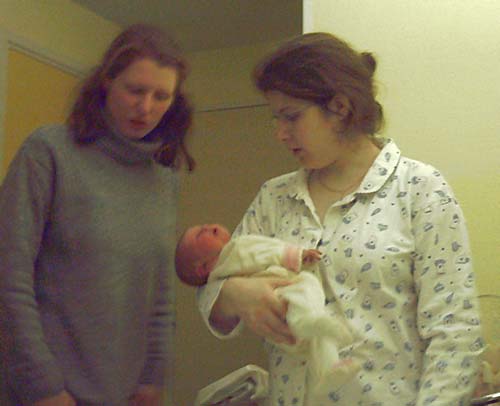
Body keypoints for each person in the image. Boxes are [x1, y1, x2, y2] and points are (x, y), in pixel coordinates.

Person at [197, 32, 484, 405]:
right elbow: (212, 285)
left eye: (291, 116)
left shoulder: (420, 190)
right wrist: (234, 294)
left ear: (340, 107)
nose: (280, 134)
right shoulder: (274, 198)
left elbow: (455, 334)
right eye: (276, 118)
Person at [0, 24, 194, 406]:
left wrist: (153, 377)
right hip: (44, 393)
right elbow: (9, 273)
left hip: (124, 394)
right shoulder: (48, 152)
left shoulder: (164, 178)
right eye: (135, 90)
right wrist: (42, 385)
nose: (146, 108)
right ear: (107, 81)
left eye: (161, 96)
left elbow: (159, 292)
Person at [176, 224, 358, 394]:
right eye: (201, 233)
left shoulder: (223, 272)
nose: (211, 227)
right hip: (284, 292)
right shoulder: (236, 248)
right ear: (202, 268)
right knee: (308, 284)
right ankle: (307, 325)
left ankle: (328, 368)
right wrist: (296, 255)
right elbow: (262, 252)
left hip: (279, 332)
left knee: (315, 341)